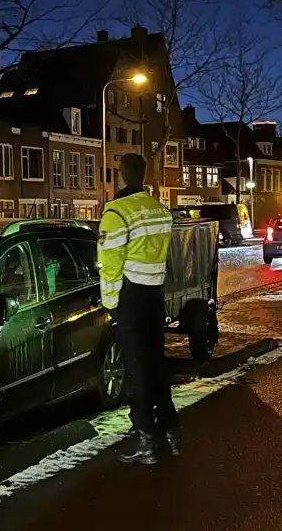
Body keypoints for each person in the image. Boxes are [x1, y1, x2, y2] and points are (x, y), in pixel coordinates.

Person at [97, 153, 176, 465]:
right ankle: (170, 429)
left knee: (135, 370)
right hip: (154, 295)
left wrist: (110, 304)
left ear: (121, 174)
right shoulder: (159, 210)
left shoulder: (117, 212)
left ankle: (146, 438)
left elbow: (109, 263)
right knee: (156, 364)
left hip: (128, 298)